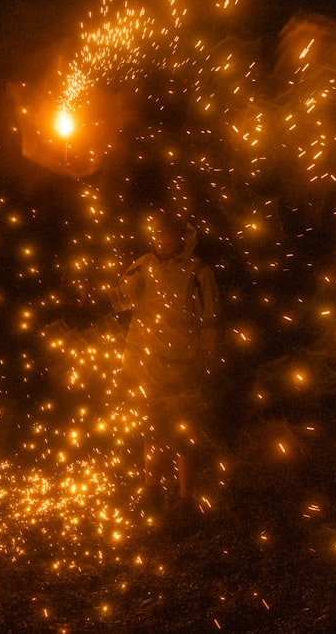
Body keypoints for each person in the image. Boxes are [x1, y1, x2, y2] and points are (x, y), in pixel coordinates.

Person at [105, 211, 220, 515]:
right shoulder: (143, 265)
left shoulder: (198, 272)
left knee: (183, 434)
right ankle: (151, 491)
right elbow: (121, 301)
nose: (160, 241)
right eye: (156, 235)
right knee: (151, 430)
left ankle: (185, 498)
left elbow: (210, 320)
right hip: (148, 365)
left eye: (166, 236)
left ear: (181, 238)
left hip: (184, 366)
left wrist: (207, 360)